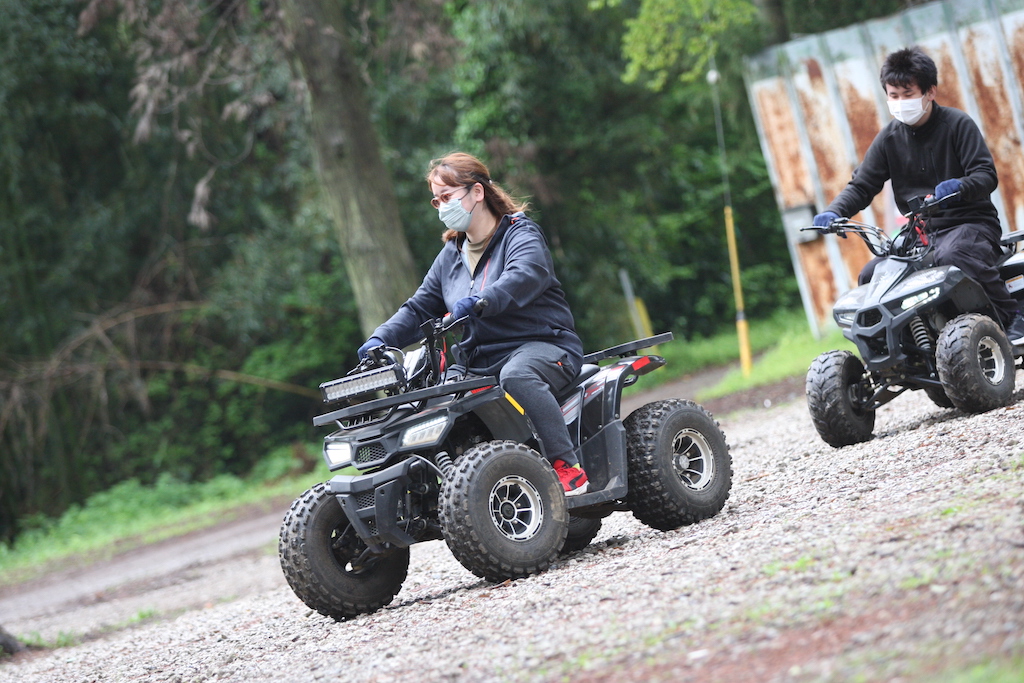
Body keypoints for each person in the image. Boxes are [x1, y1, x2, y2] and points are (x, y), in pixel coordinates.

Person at [357, 152, 589, 496]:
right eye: (436, 200)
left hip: (542, 346)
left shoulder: (520, 234)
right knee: (423, 402)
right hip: (478, 362)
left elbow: (523, 275)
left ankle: (566, 466)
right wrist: (380, 340)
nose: (441, 207)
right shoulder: (451, 254)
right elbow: (419, 308)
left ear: (477, 192)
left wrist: (480, 301)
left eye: (447, 196)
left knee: (517, 375)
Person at [814, 46, 1024, 345]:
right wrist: (835, 212)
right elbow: (862, 185)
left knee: (954, 254)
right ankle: (903, 351)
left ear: (930, 92)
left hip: (971, 224)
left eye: (908, 94)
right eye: (893, 95)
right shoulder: (888, 139)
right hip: (920, 235)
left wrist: (959, 186)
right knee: (872, 276)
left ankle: (1013, 317)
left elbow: (985, 175)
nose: (900, 102)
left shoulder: (957, 124)